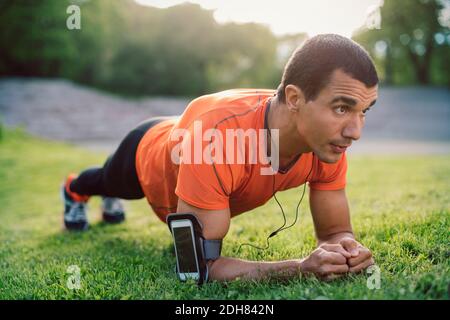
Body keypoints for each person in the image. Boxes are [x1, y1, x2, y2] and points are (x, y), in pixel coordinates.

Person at [61, 34, 379, 282]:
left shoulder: (328, 141)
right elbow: (197, 268)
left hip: (192, 131)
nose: (355, 131)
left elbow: (335, 232)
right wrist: (298, 268)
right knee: (109, 182)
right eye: (341, 108)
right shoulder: (215, 140)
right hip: (147, 148)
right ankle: (74, 189)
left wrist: (345, 249)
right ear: (295, 98)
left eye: (363, 111)